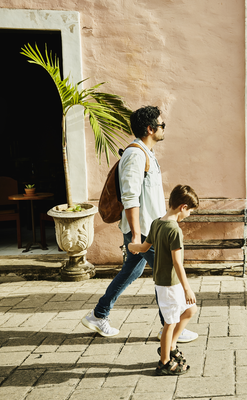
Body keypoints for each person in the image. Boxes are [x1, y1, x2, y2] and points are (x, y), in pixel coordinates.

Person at [81, 105, 198, 343]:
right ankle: (170, 326)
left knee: (130, 272)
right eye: (162, 124)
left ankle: (98, 315)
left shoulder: (146, 153)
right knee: (167, 275)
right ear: (150, 128)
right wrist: (136, 236)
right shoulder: (135, 155)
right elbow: (130, 197)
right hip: (146, 232)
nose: (164, 128)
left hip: (150, 228)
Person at [128, 184, 199, 376]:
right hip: (170, 284)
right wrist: (187, 289)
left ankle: (171, 346)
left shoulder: (156, 223)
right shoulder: (174, 229)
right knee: (170, 322)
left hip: (166, 283)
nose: (190, 214)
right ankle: (164, 361)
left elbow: (143, 247)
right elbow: (177, 262)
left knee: (190, 310)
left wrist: (130, 245)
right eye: (190, 210)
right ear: (183, 207)